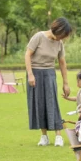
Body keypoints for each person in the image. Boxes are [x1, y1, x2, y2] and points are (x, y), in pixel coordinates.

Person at [25, 18, 73, 147]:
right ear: (57, 30)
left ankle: (58, 136)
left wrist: (66, 83)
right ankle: (44, 136)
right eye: (62, 35)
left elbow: (62, 62)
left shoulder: (59, 43)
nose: (61, 38)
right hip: (35, 73)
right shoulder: (39, 37)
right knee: (39, 104)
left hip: (49, 74)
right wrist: (30, 74)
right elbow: (28, 54)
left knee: (52, 104)